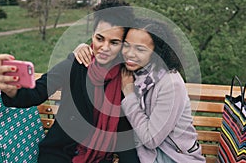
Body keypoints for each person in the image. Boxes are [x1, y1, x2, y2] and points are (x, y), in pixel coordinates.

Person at [0, 0, 140, 163]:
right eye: (99, 39)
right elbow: (38, 91)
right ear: (92, 35)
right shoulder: (76, 63)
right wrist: (13, 91)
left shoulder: (125, 79)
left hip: (98, 159)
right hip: (59, 154)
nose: (104, 48)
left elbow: (125, 139)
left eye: (114, 42)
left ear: (123, 44)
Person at [75, 18, 206, 163]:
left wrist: (129, 94)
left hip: (175, 158)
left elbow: (151, 139)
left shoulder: (170, 84)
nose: (130, 54)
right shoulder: (130, 71)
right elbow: (105, 50)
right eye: (127, 46)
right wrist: (83, 47)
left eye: (140, 49)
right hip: (143, 157)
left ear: (156, 52)